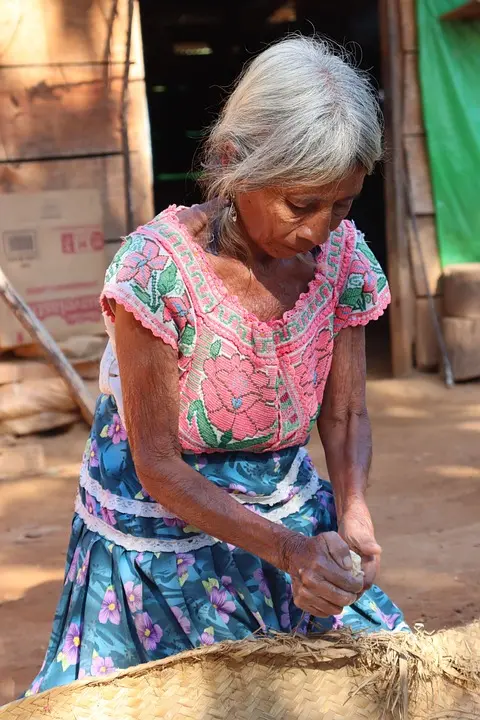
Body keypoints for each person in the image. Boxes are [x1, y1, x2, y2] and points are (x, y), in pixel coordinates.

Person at [26, 35, 406, 695]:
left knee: (382, 679)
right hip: (160, 538)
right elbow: (159, 465)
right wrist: (290, 552)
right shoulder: (155, 272)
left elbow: (345, 414)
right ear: (234, 163)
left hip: (289, 516)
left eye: (341, 204)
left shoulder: (343, 258)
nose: (318, 229)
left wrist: (353, 514)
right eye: (300, 204)